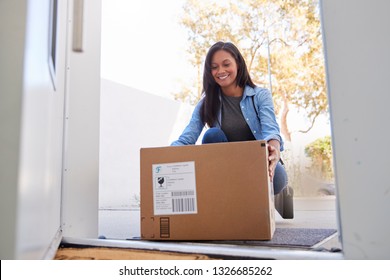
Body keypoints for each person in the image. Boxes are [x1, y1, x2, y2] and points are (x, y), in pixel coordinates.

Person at [171, 41, 287, 194]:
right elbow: (187, 138)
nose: (221, 70)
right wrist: (164, 157)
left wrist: (274, 152)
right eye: (214, 67)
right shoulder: (206, 102)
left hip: (255, 162)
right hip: (226, 166)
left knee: (278, 180)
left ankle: (265, 197)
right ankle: (233, 196)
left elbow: (270, 130)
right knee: (212, 135)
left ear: (238, 64)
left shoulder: (259, 95)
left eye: (226, 64)